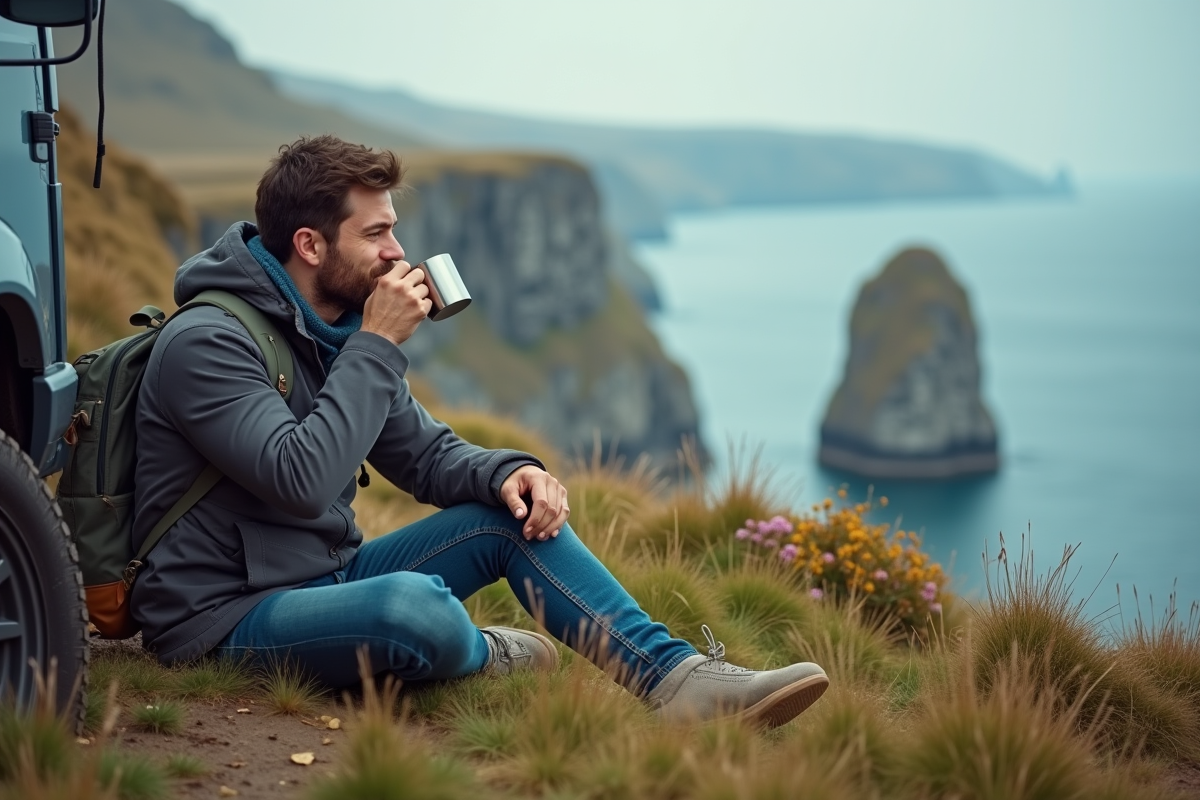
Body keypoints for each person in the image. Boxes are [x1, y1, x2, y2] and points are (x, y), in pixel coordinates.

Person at [130, 135, 829, 727]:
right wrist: (376, 345)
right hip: (221, 618)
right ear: (310, 244)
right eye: (375, 234)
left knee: (505, 518)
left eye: (392, 230)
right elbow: (301, 481)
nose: (395, 251)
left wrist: (506, 473)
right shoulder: (209, 343)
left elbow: (425, 455)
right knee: (409, 607)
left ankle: (675, 679)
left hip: (323, 577)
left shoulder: (333, 331)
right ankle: (485, 653)